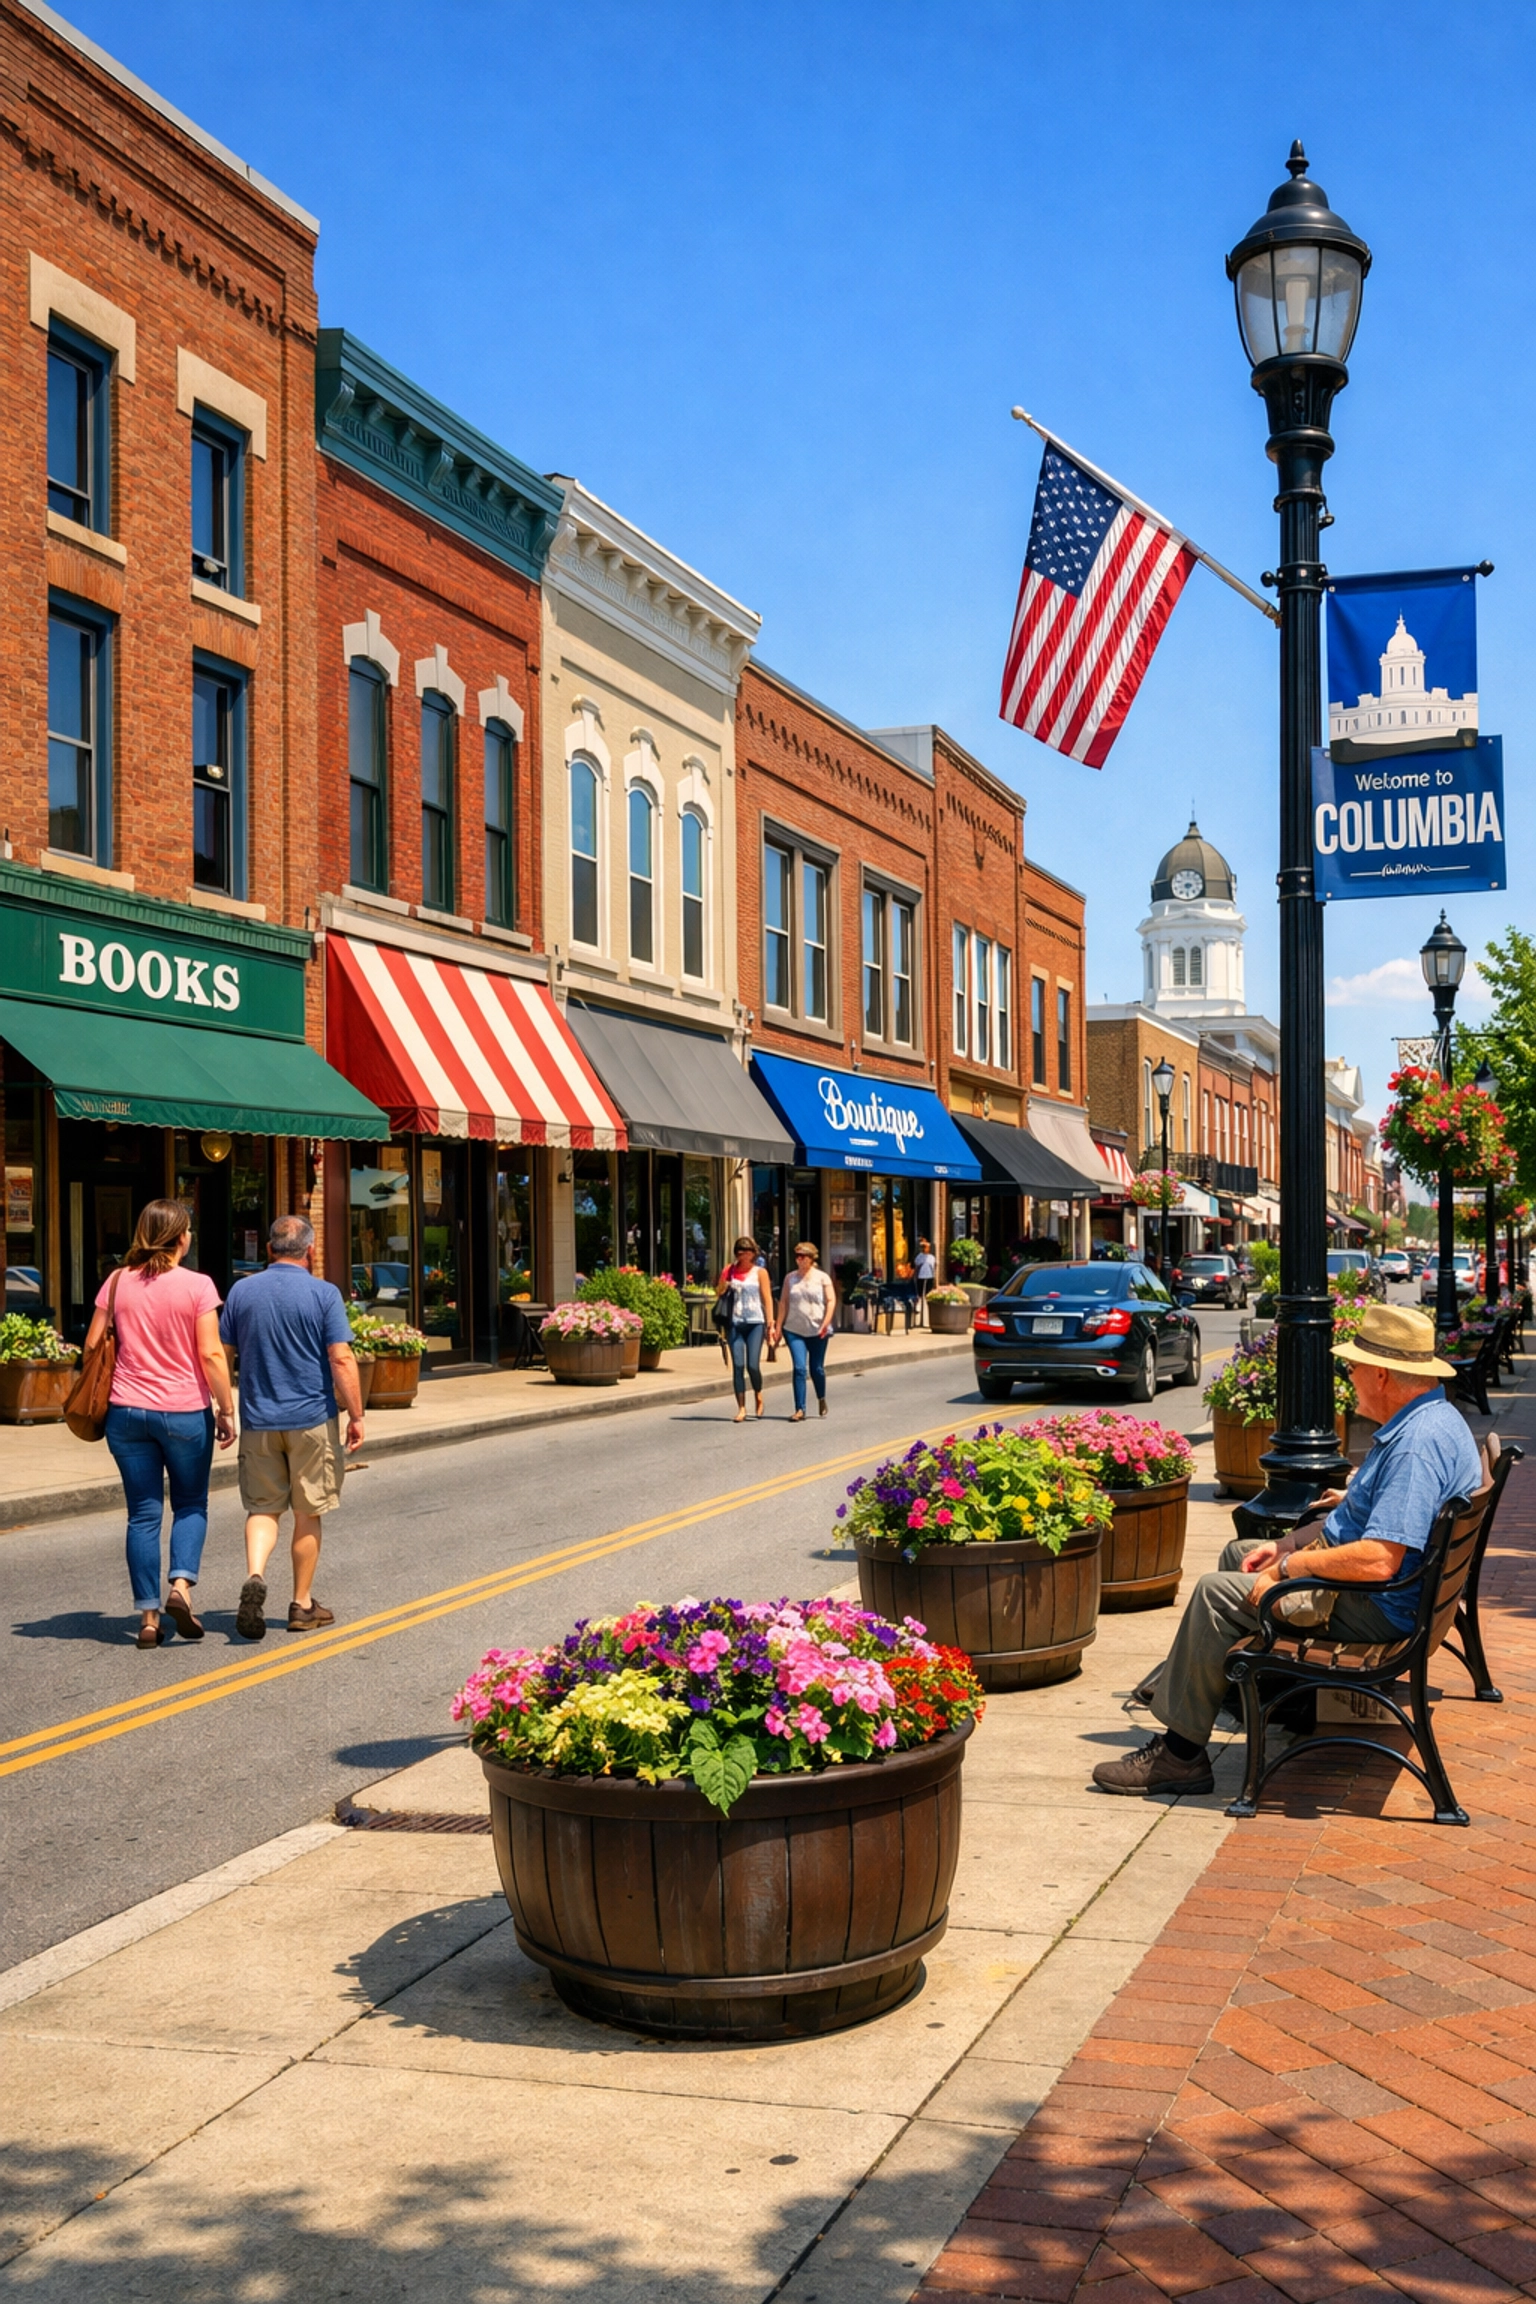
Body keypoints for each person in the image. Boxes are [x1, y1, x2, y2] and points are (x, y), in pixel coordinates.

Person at [1093, 1304, 1479, 1798]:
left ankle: (1181, 1757)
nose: (1350, 1376)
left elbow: (1382, 1559)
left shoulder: (1414, 1448)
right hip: (1405, 1597)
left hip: (1382, 1611)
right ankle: (1234, 1688)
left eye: (1355, 1366)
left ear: (1382, 1375)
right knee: (1242, 1554)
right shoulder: (1435, 1418)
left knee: (1214, 1595)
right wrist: (1285, 1545)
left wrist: (1290, 1566)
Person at [85, 1198, 236, 1649]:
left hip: (126, 1413)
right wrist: (227, 1409)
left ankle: (149, 1618)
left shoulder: (116, 1282)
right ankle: (181, 1588)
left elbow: (93, 1343)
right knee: (190, 1504)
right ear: (180, 1238)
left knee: (143, 1514)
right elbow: (211, 1354)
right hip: (184, 1412)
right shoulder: (197, 1285)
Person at [219, 1214, 364, 1639]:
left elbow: (223, 1354)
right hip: (311, 1420)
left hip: (259, 1420)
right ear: (310, 1250)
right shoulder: (324, 1294)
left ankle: (256, 1575)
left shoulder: (242, 1291)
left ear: (268, 1250)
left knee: (263, 1509)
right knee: (308, 1511)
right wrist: (356, 1415)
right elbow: (340, 1358)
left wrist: (224, 1408)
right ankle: (302, 1604)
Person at [776, 1244, 838, 1422]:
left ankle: (821, 1397)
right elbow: (784, 1303)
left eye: (803, 1256)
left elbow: (831, 1300)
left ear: (811, 1258)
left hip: (818, 1329)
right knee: (799, 1368)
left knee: (816, 1368)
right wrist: (778, 1326)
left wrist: (826, 1323)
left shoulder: (822, 1278)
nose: (799, 1259)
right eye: (797, 1256)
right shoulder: (790, 1278)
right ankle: (800, 1409)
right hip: (794, 1329)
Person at [718, 1235, 775, 1423]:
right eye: (740, 1252)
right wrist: (724, 1283)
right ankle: (741, 1407)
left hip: (755, 1321)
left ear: (753, 1254)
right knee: (738, 1366)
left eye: (748, 1252)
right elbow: (718, 1292)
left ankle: (758, 1393)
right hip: (735, 1321)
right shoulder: (730, 1270)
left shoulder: (760, 1272)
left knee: (752, 1365)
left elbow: (767, 1298)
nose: (744, 1255)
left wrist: (770, 1323)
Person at [913, 1238, 937, 1324]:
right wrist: (915, 1277)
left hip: (929, 1276)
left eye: (926, 1247)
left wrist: (935, 1280)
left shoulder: (931, 1257)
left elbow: (934, 1268)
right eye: (923, 1247)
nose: (925, 1249)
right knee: (919, 1295)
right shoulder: (919, 1257)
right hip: (921, 1277)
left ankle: (926, 1315)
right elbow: (916, 1268)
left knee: (927, 1295)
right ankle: (918, 1308)